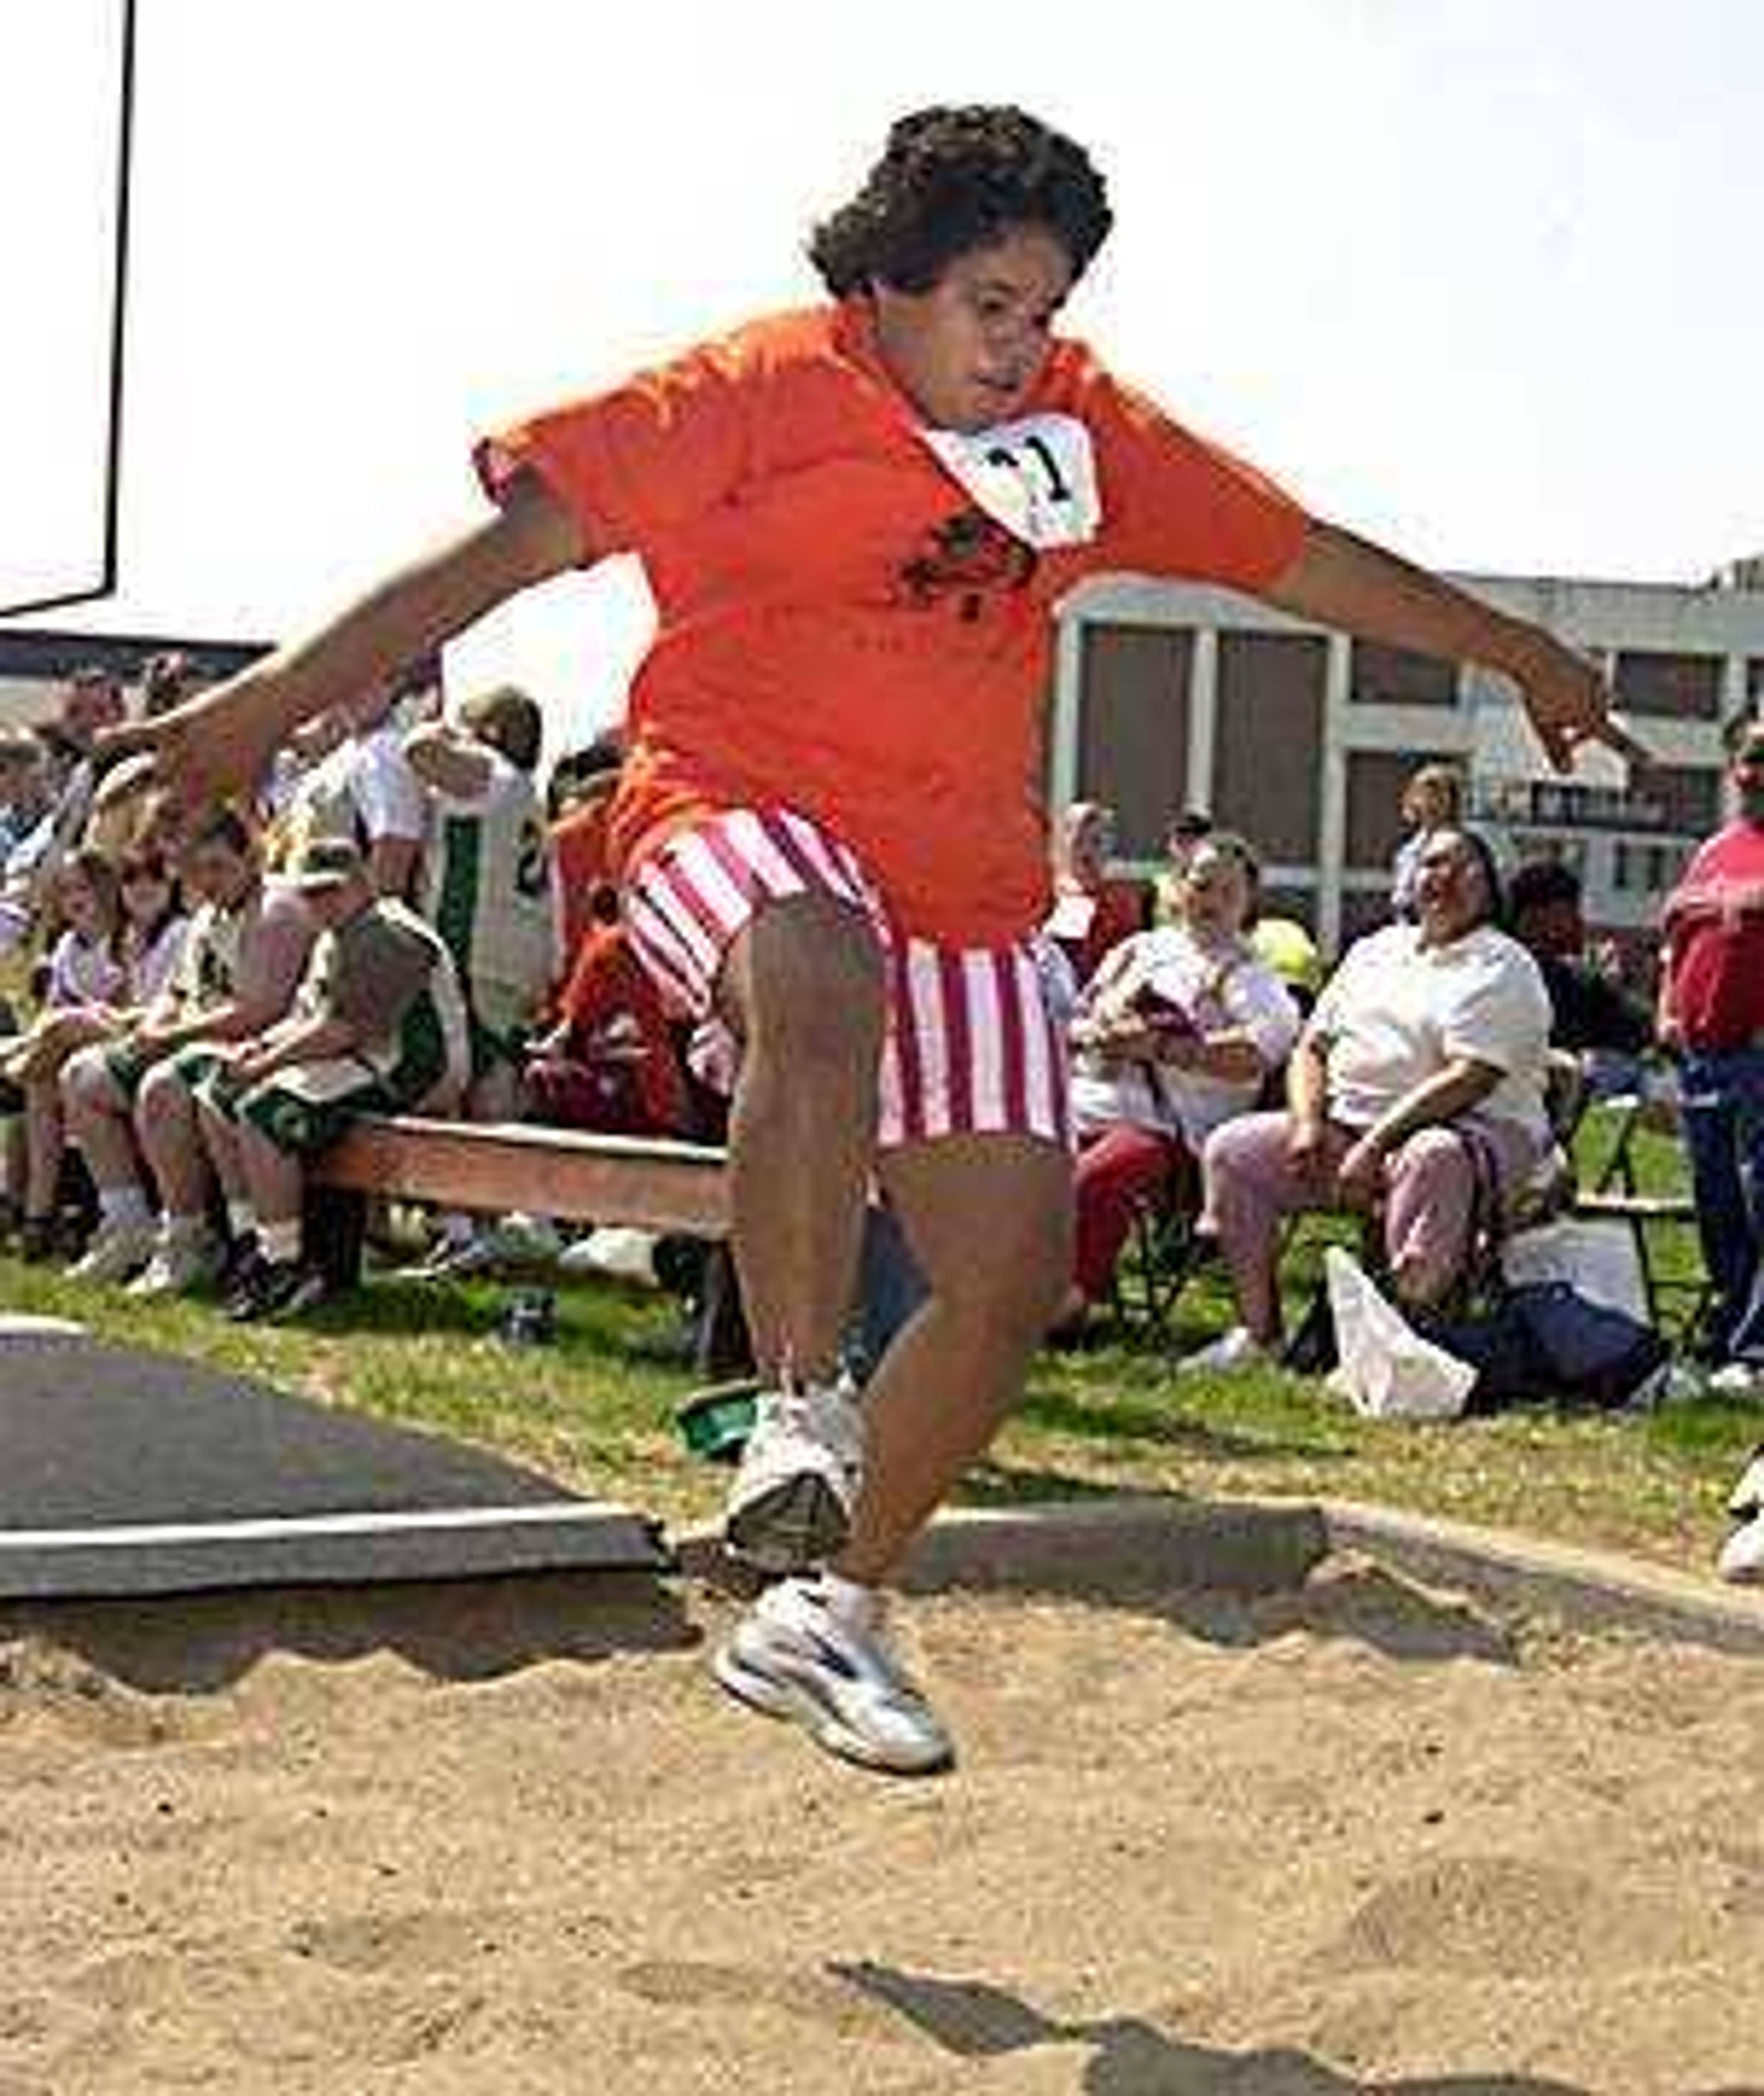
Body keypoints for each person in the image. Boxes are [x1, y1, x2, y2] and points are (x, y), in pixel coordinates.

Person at [114, 105, 1623, 1774]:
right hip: (727, 809)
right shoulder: (750, 394)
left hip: (963, 877)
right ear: (889, 283)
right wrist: (256, 707)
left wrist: (1523, 654)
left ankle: (828, 1605)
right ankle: (793, 1399)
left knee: (1007, 1271)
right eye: (991, 305)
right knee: (814, 961)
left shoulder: (1081, 429)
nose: (1023, 345)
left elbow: (1307, 558)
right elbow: (493, 561)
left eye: (1046, 310)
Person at [1190, 828, 1553, 1370]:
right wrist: (1308, 1123)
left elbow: (1468, 1079)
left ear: (1491, 888)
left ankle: (1400, 1344)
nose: (1443, 878)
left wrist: (1377, 1144)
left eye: (1464, 868)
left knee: (1433, 1154)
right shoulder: (1375, 950)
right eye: (1431, 865)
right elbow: (1311, 1047)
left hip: (1467, 1132)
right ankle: (1259, 1332)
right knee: (1232, 1151)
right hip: (1346, 1130)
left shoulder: (1503, 965)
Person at [195, 836, 469, 1321]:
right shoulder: (334, 934)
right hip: (358, 1059)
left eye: (331, 891)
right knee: (218, 1094)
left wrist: (266, 1063)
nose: (320, 903)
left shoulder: (388, 932)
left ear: (362, 882)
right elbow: (310, 1015)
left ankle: (287, 1264)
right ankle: (251, 1242)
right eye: (311, 894)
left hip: (410, 1068)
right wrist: (262, 1046)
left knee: (263, 1115)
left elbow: (342, 1032)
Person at [60, 806, 315, 1289]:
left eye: (219, 866)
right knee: (83, 1076)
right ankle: (128, 1224)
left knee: (160, 1088)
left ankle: (189, 1237)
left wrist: (171, 1037)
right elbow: (179, 992)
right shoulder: (208, 914)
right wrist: (154, 1025)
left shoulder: (277, 909)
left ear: (252, 856)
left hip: (255, 1049)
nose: (208, 880)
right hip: (195, 1041)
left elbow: (260, 1009)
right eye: (197, 870)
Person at [1061, 831, 1297, 1331]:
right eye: (1201, 884)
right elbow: (1076, 1016)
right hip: (1086, 1097)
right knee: (1018, 1162)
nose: (1210, 900)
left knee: (1098, 1176)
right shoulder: (1139, 950)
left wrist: (1163, 1047)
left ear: (1248, 902)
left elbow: (1259, 1054)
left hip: (1169, 1129)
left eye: (1226, 892)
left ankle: (1068, 1303)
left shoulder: (1250, 975)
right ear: (1180, 887)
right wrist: (1101, 1032)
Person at [1658, 712, 1764, 1396]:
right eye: (1752, 757)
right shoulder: (1714, 851)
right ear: (1733, 767)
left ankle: (1758, 1356)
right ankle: (1730, 1334)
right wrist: (1669, 1007)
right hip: (1701, 1059)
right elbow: (1678, 941)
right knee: (1719, 1203)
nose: (1759, 773)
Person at [1507, 856, 1652, 1090]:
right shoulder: (1569, 983)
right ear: (1535, 917)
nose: (1579, 921)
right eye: (1569, 911)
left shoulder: (1486, 966)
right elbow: (1640, 1027)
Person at [1043, 800, 1150, 986]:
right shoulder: (1041, 896)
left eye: (1096, 842)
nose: (1087, 851)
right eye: (1079, 841)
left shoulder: (1123, 905)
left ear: (1110, 848)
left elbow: (1130, 966)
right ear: (1063, 843)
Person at [1390, 761, 1464, 920]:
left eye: (1440, 795)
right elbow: (1400, 900)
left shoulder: (1464, 848)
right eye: (1426, 794)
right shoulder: (1408, 852)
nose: (1432, 803)